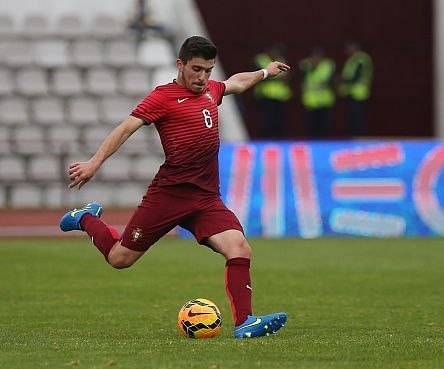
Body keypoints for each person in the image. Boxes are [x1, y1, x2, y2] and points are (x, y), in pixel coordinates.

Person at [59, 36, 290, 339]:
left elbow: (236, 83)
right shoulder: (162, 97)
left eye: (208, 70)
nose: (202, 77)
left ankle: (245, 321)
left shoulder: (211, 90)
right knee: (120, 259)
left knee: (239, 247)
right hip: (169, 195)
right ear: (180, 65)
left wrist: (264, 73)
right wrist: (94, 163)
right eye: (196, 69)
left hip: (206, 198)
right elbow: (126, 128)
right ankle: (87, 218)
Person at [253, 43, 292, 138]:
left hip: (280, 96)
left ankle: (277, 140)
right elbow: (260, 75)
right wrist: (275, 76)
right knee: (267, 121)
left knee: (278, 121)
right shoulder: (261, 59)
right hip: (265, 95)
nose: (276, 53)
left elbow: (287, 75)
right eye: (274, 50)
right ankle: (266, 140)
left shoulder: (281, 60)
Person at [337, 40, 373, 137]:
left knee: (357, 118)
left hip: (358, 92)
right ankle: (354, 137)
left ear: (355, 47)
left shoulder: (361, 58)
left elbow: (356, 76)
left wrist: (343, 80)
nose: (347, 50)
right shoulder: (352, 59)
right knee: (352, 118)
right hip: (350, 92)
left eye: (349, 48)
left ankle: (359, 138)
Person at [299, 47, 336, 138]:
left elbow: (325, 78)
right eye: (314, 57)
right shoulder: (306, 65)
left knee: (324, 126)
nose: (316, 59)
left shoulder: (327, 65)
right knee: (312, 127)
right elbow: (301, 72)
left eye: (319, 57)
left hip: (324, 100)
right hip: (310, 101)